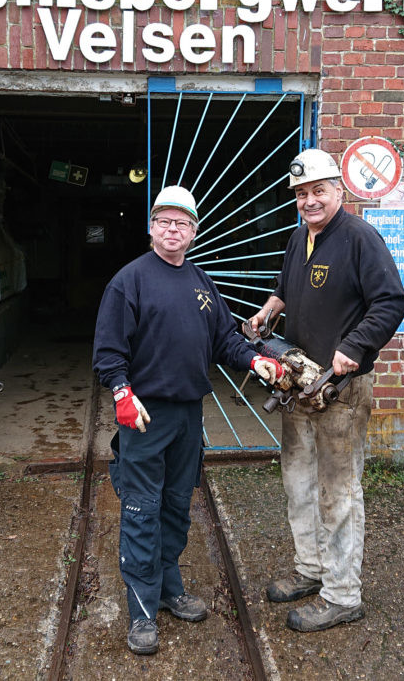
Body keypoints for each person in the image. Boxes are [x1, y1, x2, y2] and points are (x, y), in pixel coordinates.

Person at [93, 185, 283, 655]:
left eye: (181, 223)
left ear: (194, 232)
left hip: (187, 413)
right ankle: (141, 608)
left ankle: (167, 585)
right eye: (164, 221)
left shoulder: (201, 282)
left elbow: (225, 340)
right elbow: (109, 350)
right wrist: (121, 391)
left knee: (177, 503)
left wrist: (254, 361)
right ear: (151, 228)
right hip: (143, 416)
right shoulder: (129, 281)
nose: (172, 229)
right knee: (141, 507)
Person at [249, 148, 404, 632]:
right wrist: (267, 311)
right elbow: (285, 286)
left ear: (338, 190)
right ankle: (311, 570)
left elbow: (390, 302)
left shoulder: (360, 238)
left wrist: (354, 346)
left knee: (337, 490)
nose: (309, 201)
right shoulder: (300, 237)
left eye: (318, 190)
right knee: (298, 483)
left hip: (341, 386)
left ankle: (342, 593)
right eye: (301, 194)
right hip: (299, 382)